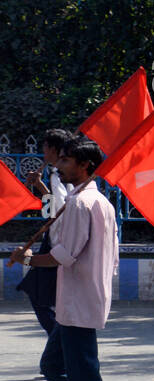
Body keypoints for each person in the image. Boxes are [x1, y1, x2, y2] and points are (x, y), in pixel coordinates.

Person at [8, 137, 119, 381]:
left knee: (85, 376)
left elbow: (63, 256)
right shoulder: (96, 202)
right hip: (80, 299)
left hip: (79, 302)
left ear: (84, 165)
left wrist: (27, 258)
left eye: (66, 161)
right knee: (53, 366)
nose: (59, 165)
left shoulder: (83, 204)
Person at [16, 128, 76, 336]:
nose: (43, 150)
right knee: (43, 294)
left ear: (51, 148)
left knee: (39, 292)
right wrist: (40, 186)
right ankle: (59, 338)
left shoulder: (59, 173)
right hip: (54, 240)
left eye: (45, 146)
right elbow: (53, 210)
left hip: (57, 243)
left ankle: (59, 338)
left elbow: (60, 211)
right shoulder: (56, 173)